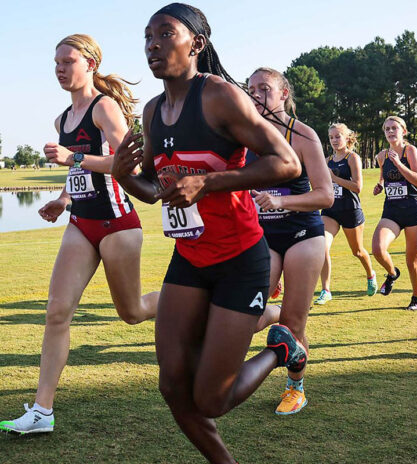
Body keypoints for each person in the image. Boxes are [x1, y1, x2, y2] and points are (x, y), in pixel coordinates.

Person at [110, 5, 305, 462]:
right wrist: (124, 176)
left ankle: (281, 347)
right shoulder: (154, 112)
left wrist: (209, 182)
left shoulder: (218, 96)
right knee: (172, 383)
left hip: (241, 259)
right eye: (147, 36)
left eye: (165, 33)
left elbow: (287, 163)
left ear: (195, 44)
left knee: (213, 400)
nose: (152, 44)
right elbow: (159, 192)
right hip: (190, 259)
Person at [0, 34, 159, 435]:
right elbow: (80, 172)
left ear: (91, 63)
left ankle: (192, 296)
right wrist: (64, 198)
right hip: (80, 223)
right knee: (56, 312)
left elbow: (129, 165)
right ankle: (42, 412)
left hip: (117, 223)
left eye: (69, 61)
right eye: (56, 62)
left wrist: (75, 157)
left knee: (133, 313)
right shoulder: (62, 119)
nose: (60, 68)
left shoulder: (104, 107)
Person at [247, 66, 333, 415]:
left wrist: (281, 201)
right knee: (244, 318)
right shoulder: (245, 137)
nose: (255, 95)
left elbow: (326, 195)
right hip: (263, 236)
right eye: (250, 89)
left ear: (284, 93)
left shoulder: (302, 134)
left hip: (303, 234)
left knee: (294, 326)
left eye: (264, 88)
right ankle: (274, 312)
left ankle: (295, 387)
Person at [316, 123, 377, 305]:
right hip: (330, 211)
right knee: (322, 247)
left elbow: (358, 187)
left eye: (338, 136)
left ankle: (370, 275)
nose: (335, 140)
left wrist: (334, 179)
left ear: (347, 138)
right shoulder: (326, 161)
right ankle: (326, 290)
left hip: (350, 210)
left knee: (357, 251)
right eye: (332, 137)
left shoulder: (352, 158)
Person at [372, 116, 417, 311]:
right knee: (378, 249)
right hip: (392, 211)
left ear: (403, 131)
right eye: (387, 129)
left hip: (413, 210)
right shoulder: (381, 156)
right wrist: (379, 185)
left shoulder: (409, 151)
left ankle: (416, 296)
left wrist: (399, 165)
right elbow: (383, 177)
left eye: (394, 128)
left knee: (412, 261)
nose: (390, 131)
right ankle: (393, 273)